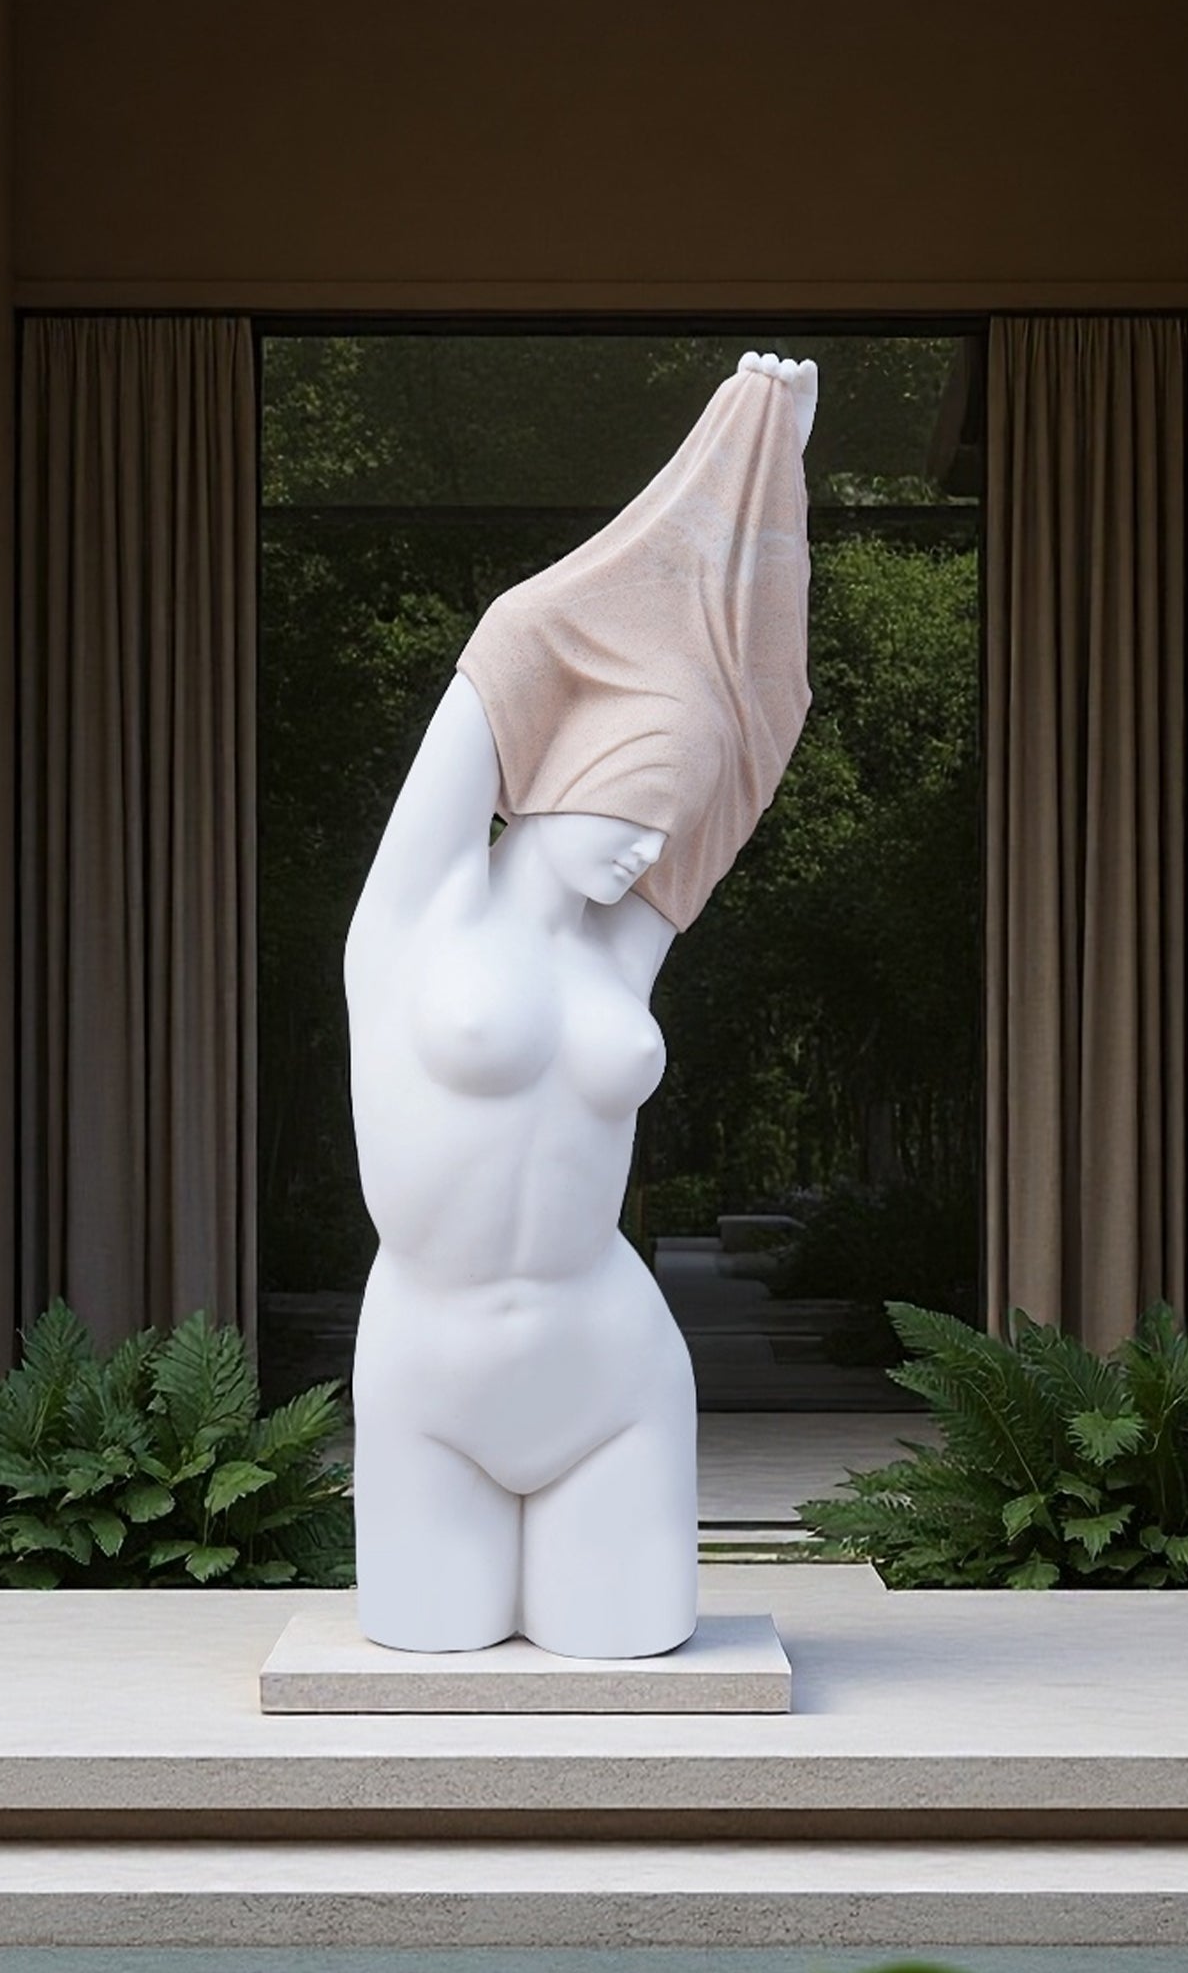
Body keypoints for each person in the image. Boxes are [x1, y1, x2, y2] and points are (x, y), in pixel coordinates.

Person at [343, 352, 817, 1657]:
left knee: (627, 1668)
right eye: (629, 810)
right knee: (425, 1666)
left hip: (609, 1370)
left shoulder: (622, 954)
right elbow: (509, 649)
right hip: (430, 1369)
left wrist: (776, 465)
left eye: (665, 825)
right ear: (553, 773)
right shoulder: (416, 916)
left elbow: (758, 725)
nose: (646, 849)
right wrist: (721, 451)